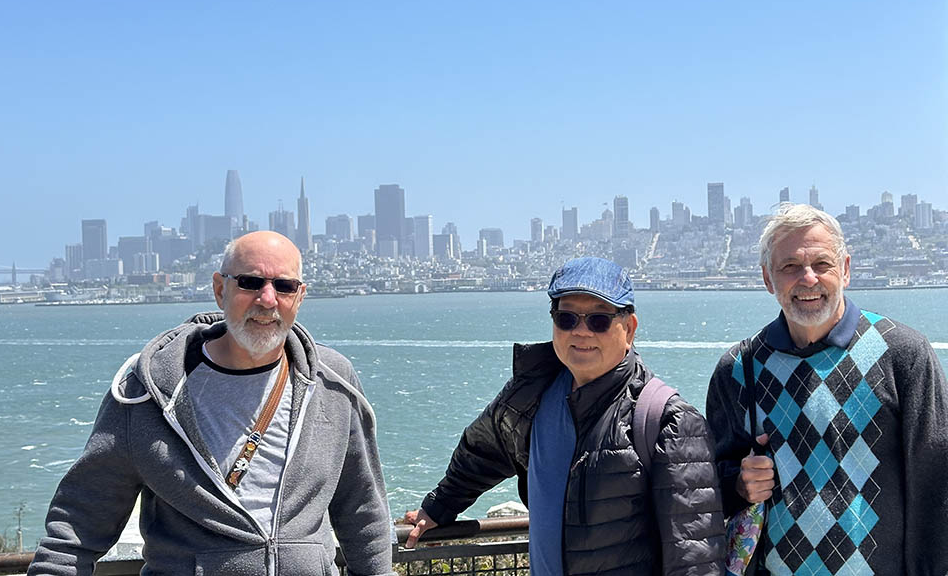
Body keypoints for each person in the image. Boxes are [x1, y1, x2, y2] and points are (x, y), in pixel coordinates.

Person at [28, 231, 393, 576]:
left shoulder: (332, 381)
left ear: (299, 297)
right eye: (250, 282)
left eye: (284, 286)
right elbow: (79, 521)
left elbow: (361, 507)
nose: (268, 299)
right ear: (220, 289)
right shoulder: (147, 390)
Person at [405, 256, 725, 575]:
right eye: (567, 318)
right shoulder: (530, 395)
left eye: (598, 320)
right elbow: (483, 451)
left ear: (629, 330)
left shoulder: (668, 421)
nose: (581, 332)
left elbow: (694, 557)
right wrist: (438, 507)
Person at [706, 204, 948, 575]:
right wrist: (739, 483)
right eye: (790, 267)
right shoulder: (739, 368)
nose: (808, 279)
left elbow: (936, 488)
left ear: (846, 270)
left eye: (822, 264)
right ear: (768, 279)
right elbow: (706, 486)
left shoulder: (902, 355)